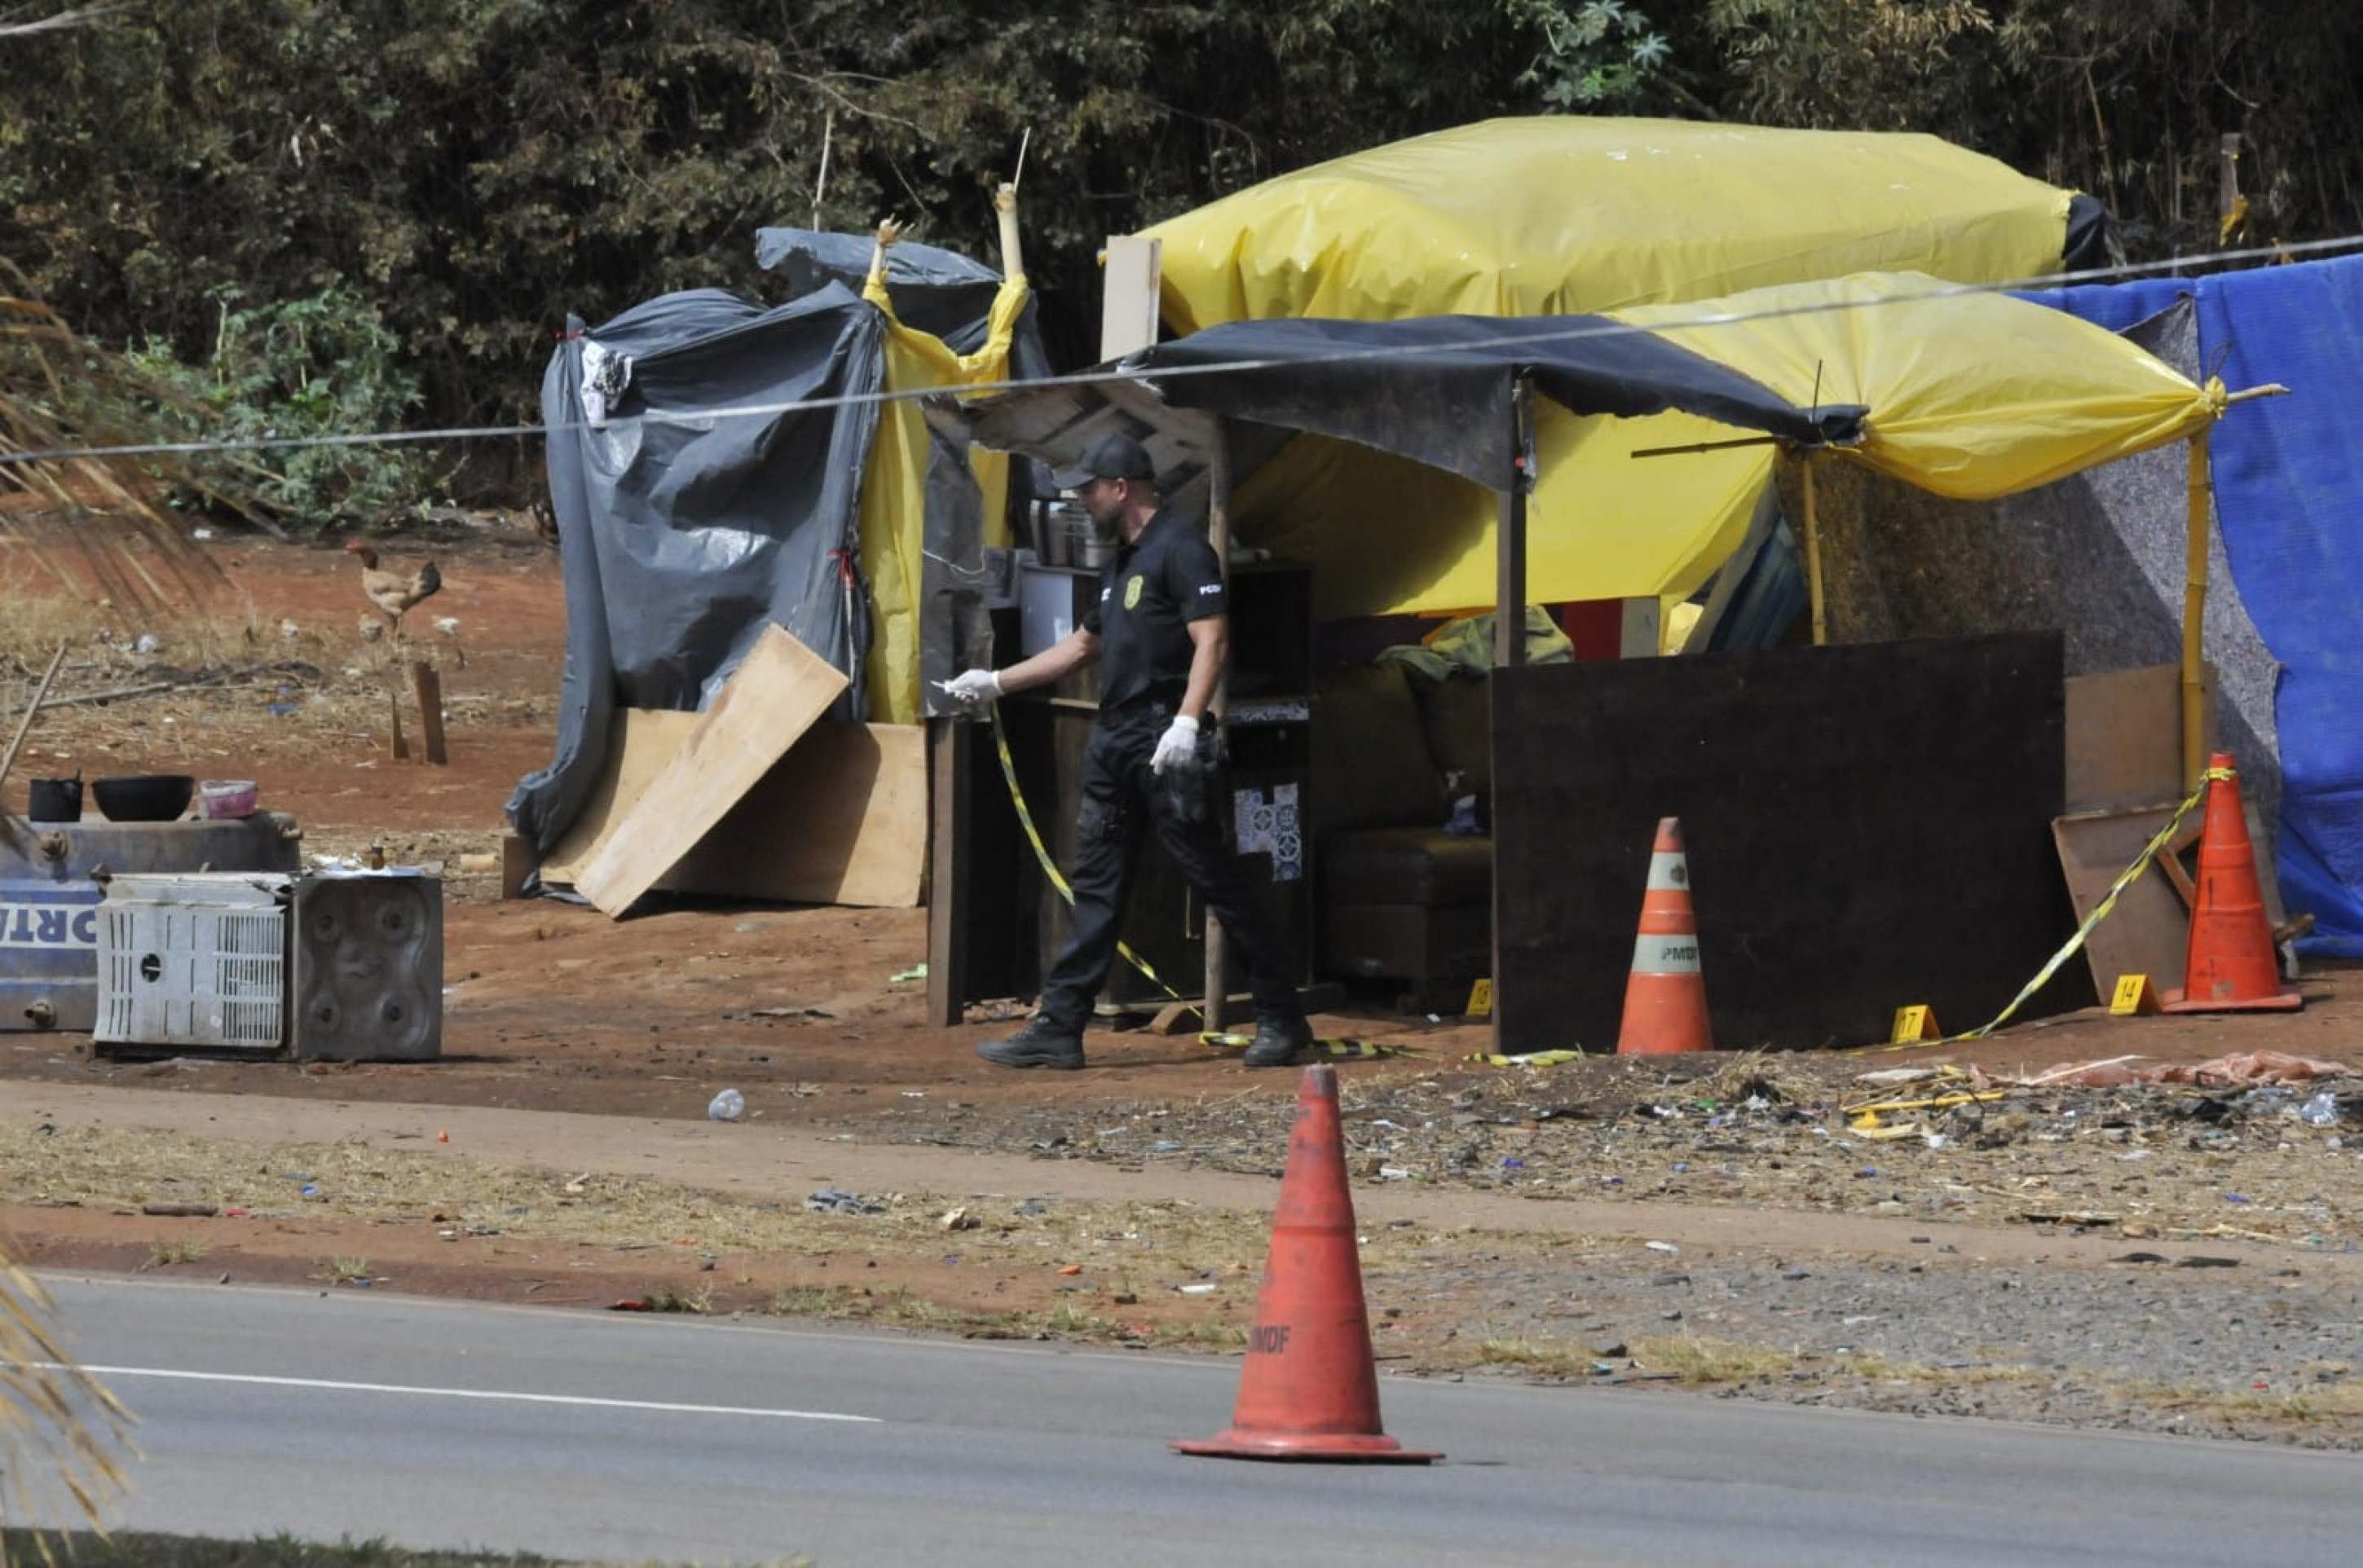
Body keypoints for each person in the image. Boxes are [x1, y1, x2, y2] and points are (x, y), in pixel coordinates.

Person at [939, 434, 1314, 1070]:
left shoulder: (1181, 550)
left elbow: (1212, 642)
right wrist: (997, 682)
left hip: (1164, 740)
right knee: (1095, 886)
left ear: (1122, 488)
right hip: (1115, 741)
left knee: (1215, 880)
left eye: (1089, 489)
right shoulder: (1122, 563)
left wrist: (1187, 723)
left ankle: (1282, 1016)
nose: (1082, 501)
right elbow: (1081, 648)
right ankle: (1060, 1027)